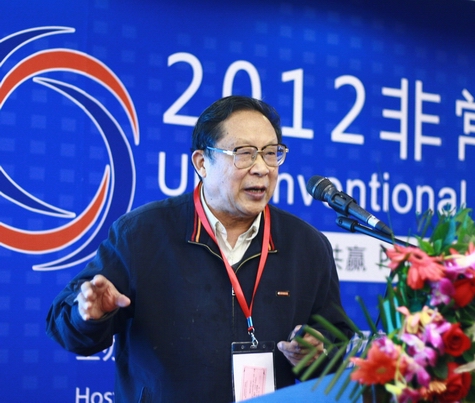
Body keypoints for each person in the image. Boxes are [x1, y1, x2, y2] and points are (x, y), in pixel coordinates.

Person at [46, 95, 353, 403]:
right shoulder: (141, 234)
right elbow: (67, 330)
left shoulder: (307, 246)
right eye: (244, 153)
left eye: (271, 153)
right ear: (202, 163)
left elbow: (336, 342)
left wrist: (318, 353)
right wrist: (88, 316)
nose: (262, 168)